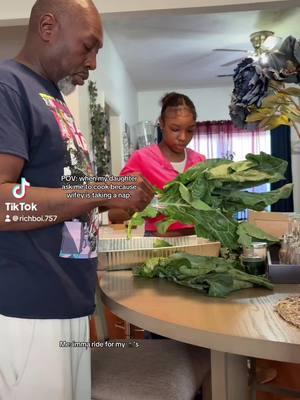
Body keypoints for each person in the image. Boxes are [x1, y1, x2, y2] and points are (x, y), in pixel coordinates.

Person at [0, 1, 153, 400]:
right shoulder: (7, 86)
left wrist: (106, 197)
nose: (93, 62)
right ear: (48, 27)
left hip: (66, 299)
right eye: (89, 46)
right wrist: (101, 190)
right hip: (29, 308)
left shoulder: (50, 97)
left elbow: (59, 190)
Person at [109, 92, 206, 236]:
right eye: (175, 129)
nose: (183, 137)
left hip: (196, 244)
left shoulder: (200, 161)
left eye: (190, 130)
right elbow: (114, 212)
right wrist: (150, 207)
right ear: (161, 123)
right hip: (157, 247)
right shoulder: (141, 159)